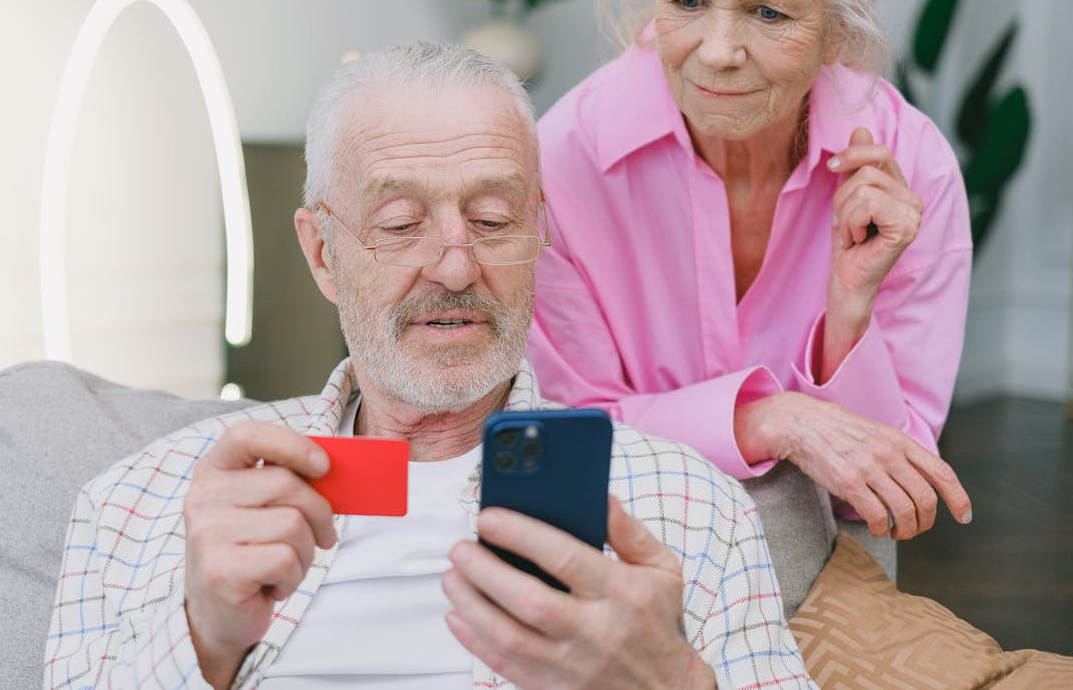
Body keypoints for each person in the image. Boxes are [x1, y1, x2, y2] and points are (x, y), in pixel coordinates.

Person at [44, 41, 813, 688]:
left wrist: (675, 682)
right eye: (401, 222)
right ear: (322, 253)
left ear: (539, 232)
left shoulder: (693, 508)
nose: (454, 265)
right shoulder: (139, 502)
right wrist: (202, 637)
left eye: (492, 219)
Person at [526, 0, 973, 559]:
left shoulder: (913, 166)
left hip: (832, 552)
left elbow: (885, 494)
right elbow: (567, 441)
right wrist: (771, 419)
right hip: (621, 547)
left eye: (769, 12)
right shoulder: (561, 163)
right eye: (688, 1)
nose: (718, 51)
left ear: (838, 29)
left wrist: (848, 316)